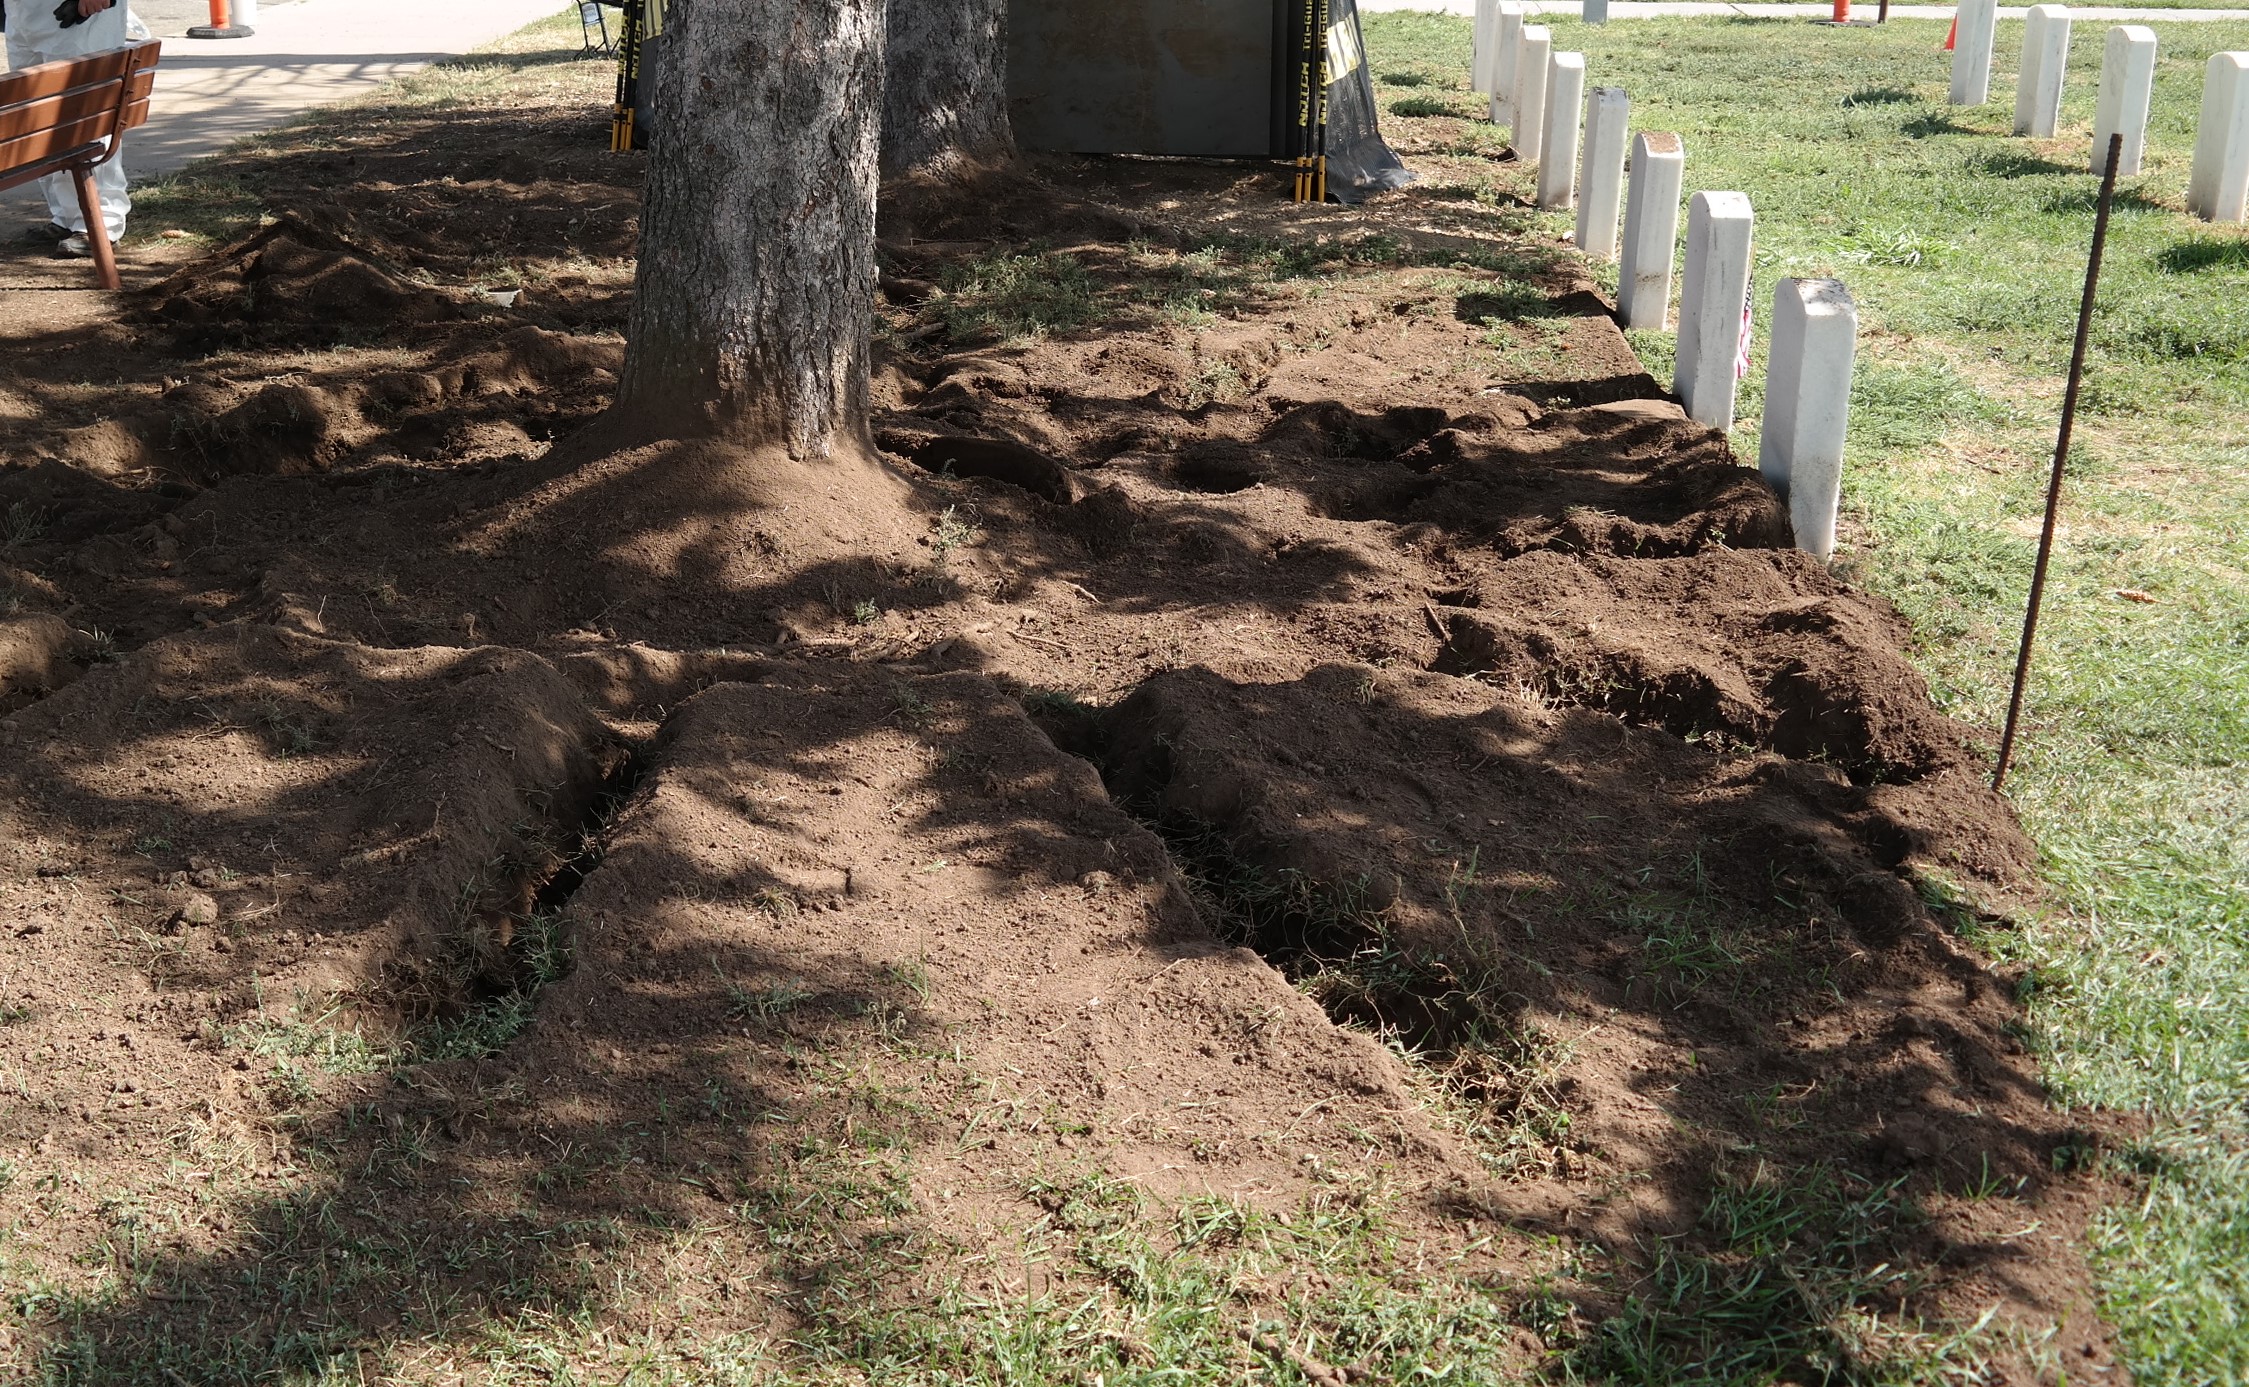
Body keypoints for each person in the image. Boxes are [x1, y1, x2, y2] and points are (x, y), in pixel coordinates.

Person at [4, 0, 131, 258]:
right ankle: (68, 214)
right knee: (39, 113)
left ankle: (102, 222)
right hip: (23, 11)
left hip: (78, 12)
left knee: (87, 114)